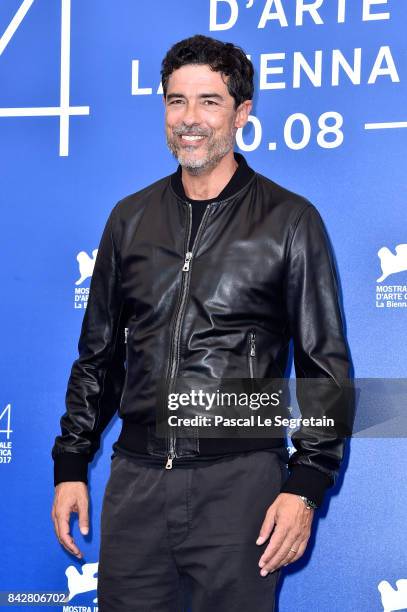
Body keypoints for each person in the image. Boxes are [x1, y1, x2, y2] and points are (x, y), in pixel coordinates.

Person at [51, 34, 353, 611]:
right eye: (176, 101)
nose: (189, 119)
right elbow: (98, 358)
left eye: (209, 102)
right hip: (135, 486)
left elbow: (325, 369)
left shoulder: (290, 221)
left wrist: (306, 485)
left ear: (241, 114)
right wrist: (70, 463)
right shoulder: (129, 218)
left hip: (239, 488)